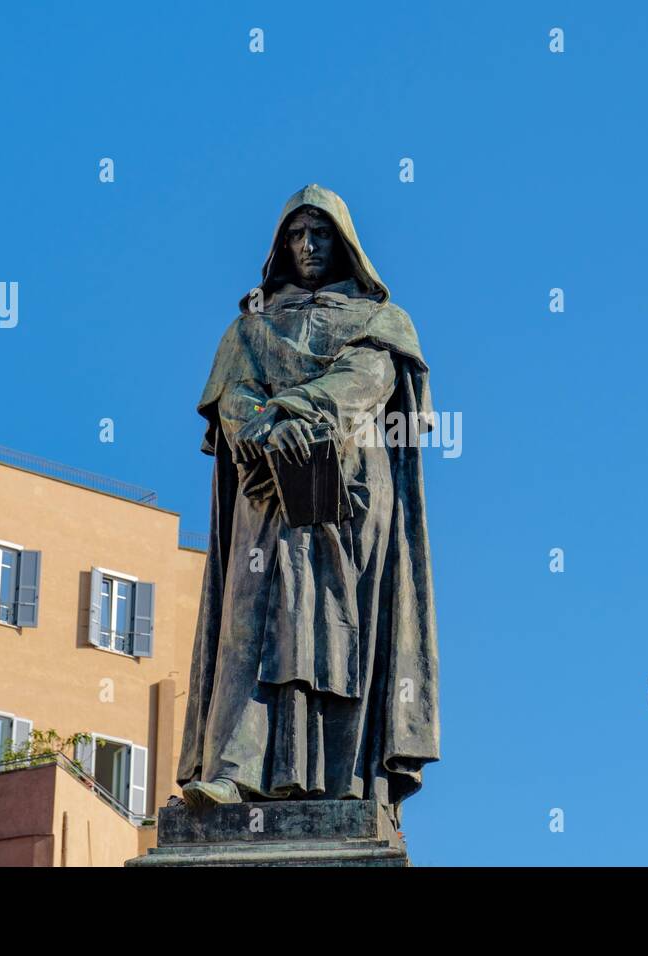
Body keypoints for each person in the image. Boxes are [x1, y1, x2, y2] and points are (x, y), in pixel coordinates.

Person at [177, 184, 439, 827]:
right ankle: (234, 771)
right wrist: (265, 428)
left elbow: (367, 382)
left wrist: (293, 411)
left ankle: (345, 782)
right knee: (250, 621)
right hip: (266, 490)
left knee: (340, 626)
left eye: (320, 234)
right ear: (280, 247)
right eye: (296, 235)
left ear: (344, 242)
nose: (308, 246)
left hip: (346, 496)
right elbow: (231, 398)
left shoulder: (382, 321)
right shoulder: (249, 327)